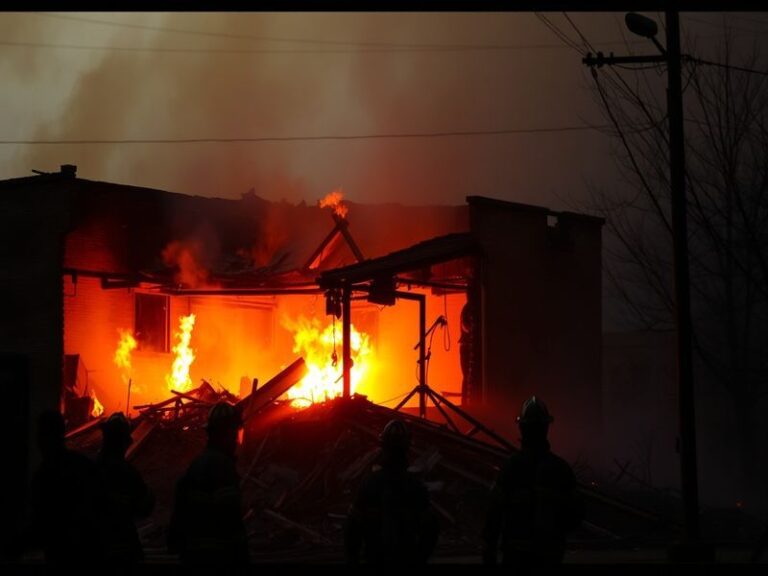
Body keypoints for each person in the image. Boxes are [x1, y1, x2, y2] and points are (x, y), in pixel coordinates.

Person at [483, 396, 584, 566]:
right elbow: (575, 515)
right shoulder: (560, 469)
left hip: (517, 555)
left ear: (522, 428)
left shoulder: (511, 467)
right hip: (549, 554)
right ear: (546, 428)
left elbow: (494, 515)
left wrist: (490, 553)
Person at [344, 418, 439, 564]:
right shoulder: (415, 487)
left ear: (383, 447)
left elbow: (352, 529)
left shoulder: (370, 484)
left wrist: (353, 559)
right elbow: (430, 530)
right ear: (407, 449)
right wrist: (419, 558)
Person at [168, 402, 249, 565]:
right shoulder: (222, 467)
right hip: (216, 557)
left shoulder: (198, 463)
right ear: (226, 434)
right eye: (234, 433)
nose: (236, 440)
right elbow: (230, 519)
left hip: (191, 555)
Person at [28, 409, 106, 563]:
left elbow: (41, 525)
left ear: (42, 438)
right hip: (88, 555)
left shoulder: (44, 475)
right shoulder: (83, 465)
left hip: (63, 555)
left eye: (40, 434)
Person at [97, 412, 154, 564]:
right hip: (123, 547)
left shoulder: (89, 469)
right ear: (124, 442)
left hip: (95, 548)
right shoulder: (128, 473)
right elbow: (144, 507)